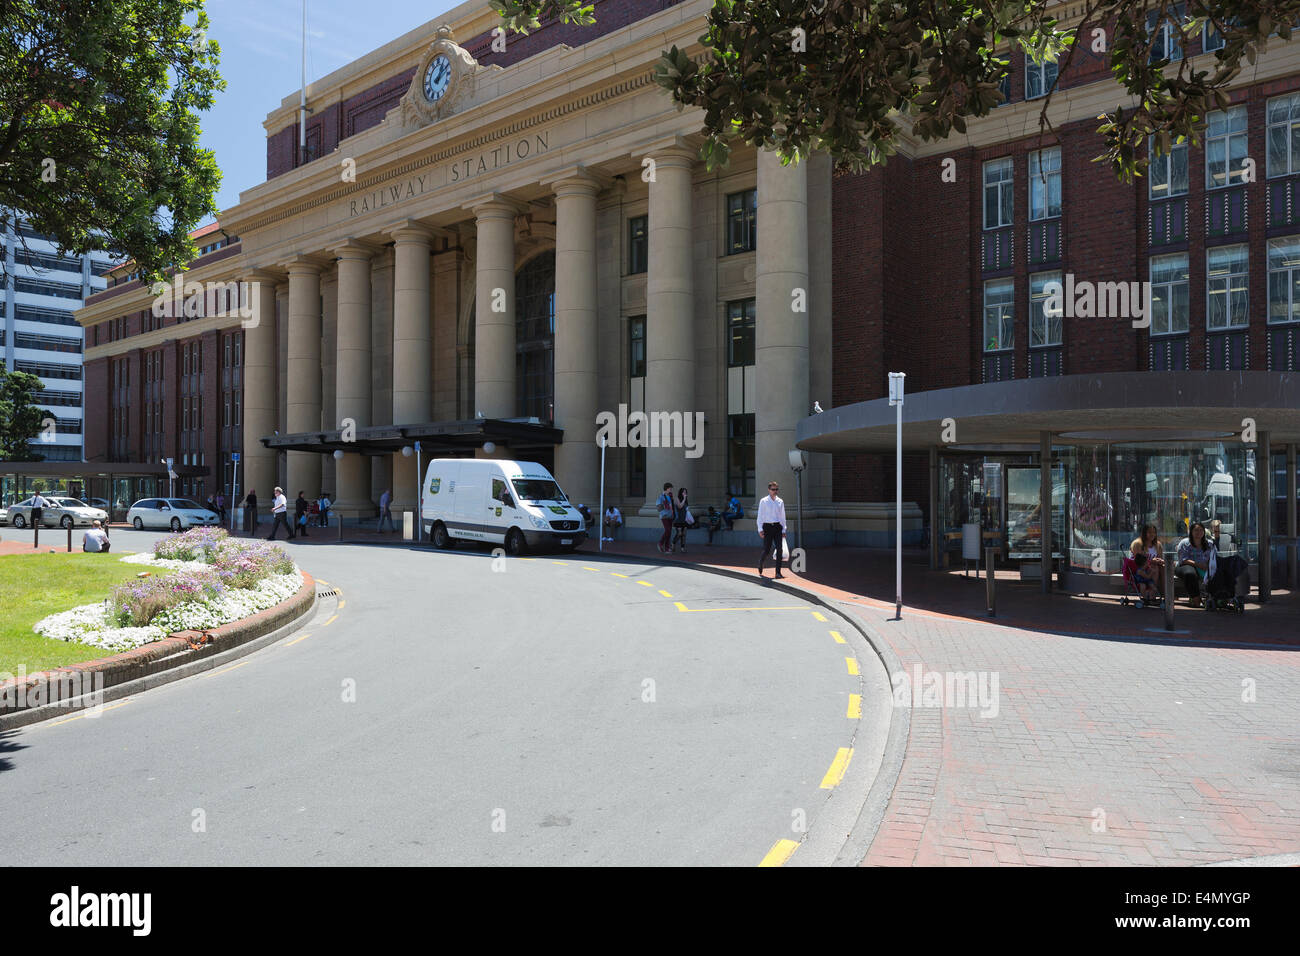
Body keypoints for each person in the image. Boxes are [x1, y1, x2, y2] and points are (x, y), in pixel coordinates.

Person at [1175, 521, 1217, 607]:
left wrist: (1209, 565)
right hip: (1185, 565)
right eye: (1196, 530)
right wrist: (1199, 565)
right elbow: (1183, 560)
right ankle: (1196, 600)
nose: (1199, 532)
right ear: (1191, 532)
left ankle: (1217, 598)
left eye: (1201, 530)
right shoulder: (1184, 543)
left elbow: (1214, 557)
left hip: (1204, 567)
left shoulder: (1210, 544)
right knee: (1190, 574)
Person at [757, 481, 788, 579]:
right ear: (769, 490)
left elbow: (783, 517)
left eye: (776, 489)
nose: (775, 491)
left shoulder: (780, 501)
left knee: (780, 549)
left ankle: (778, 573)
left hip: (777, 527)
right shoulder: (763, 501)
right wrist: (760, 529)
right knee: (767, 549)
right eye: (773, 489)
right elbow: (760, 515)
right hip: (767, 527)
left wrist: (784, 530)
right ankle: (761, 562)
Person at [1130, 524, 1165, 593]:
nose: (1152, 534)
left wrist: (1162, 561)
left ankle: (1165, 593)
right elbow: (1138, 561)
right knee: (1155, 568)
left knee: (1164, 567)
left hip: (1151, 567)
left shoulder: (1158, 545)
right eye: (1149, 532)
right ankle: (1154, 591)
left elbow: (1159, 559)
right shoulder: (1137, 543)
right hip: (1139, 569)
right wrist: (1152, 561)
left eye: (1154, 532)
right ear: (1144, 533)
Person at [655, 482, 676, 553]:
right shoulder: (661, 497)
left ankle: (667, 548)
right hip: (664, 516)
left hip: (671, 516)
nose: (671, 490)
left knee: (669, 532)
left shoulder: (670, 496)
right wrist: (664, 511)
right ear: (666, 489)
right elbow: (658, 507)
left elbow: (672, 506)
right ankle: (660, 543)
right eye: (670, 488)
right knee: (667, 530)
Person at [672, 486, 693, 553]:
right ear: (680, 492)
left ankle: (682, 548)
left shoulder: (686, 500)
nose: (685, 493)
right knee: (679, 533)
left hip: (684, 520)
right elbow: (680, 506)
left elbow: (686, 509)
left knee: (684, 534)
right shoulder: (676, 499)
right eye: (683, 492)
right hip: (678, 519)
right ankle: (673, 543)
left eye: (686, 492)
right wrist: (684, 498)